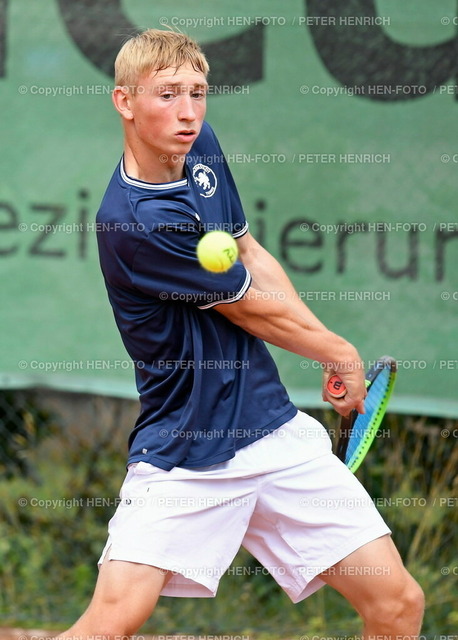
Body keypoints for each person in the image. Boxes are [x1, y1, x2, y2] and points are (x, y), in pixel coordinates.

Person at [59, 29, 424, 639]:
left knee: (396, 603)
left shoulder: (198, 145)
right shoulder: (134, 222)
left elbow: (249, 253)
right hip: (187, 448)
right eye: (167, 94)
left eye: (198, 93)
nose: (187, 111)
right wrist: (336, 351)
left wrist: (328, 349)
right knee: (111, 624)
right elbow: (248, 307)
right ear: (124, 102)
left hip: (272, 426)